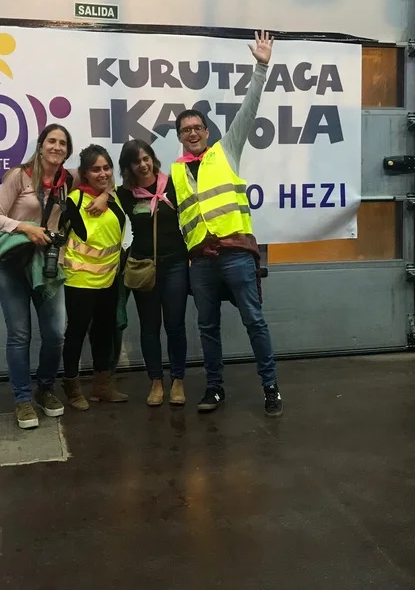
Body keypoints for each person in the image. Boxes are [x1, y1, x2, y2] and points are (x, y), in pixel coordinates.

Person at [170, 30, 282, 417]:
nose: (192, 133)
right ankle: (214, 389)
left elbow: (249, 110)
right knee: (207, 327)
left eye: (197, 127)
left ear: (207, 132)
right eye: (185, 130)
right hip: (201, 261)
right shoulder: (175, 172)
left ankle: (271, 388)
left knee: (254, 321)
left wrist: (261, 67)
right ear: (180, 137)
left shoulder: (226, 150)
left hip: (235, 253)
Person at [0, 123, 72, 429]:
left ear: (67, 151)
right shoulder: (19, 176)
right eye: (52, 141)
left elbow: (102, 182)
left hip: (46, 265)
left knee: (56, 333)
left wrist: (102, 198)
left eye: (63, 143)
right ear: (41, 146)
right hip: (12, 265)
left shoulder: (66, 181)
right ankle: (22, 399)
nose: (57, 147)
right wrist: (25, 228)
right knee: (20, 334)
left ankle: (45, 388)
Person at [116, 139, 189, 407]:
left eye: (146, 158)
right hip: (142, 266)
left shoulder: (172, 184)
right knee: (149, 327)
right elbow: (101, 194)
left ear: (153, 158)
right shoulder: (124, 193)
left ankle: (178, 380)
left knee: (175, 324)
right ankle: (156, 381)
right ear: (128, 167)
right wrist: (101, 197)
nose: (143, 164)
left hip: (175, 263)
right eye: (136, 161)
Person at [59, 144, 129, 408]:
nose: (103, 173)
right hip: (79, 281)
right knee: (76, 333)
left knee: (104, 333)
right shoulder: (74, 200)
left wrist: (107, 194)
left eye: (106, 168)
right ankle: (72, 388)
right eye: (95, 169)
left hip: (109, 280)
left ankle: (102, 386)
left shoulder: (115, 198)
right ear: (85, 173)